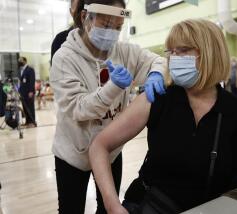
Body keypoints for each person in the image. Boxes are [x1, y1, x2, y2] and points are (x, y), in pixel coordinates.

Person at [89, 19, 237, 213]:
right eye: (171, 52)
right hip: (149, 204)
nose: (174, 58)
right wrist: (112, 205)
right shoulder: (157, 99)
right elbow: (99, 146)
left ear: (210, 53)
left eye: (184, 50)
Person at [50, 0, 167, 213]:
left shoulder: (123, 52)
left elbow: (158, 61)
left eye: (118, 27)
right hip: (73, 154)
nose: (111, 33)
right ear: (86, 17)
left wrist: (156, 73)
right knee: (70, 209)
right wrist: (113, 87)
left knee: (107, 207)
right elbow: (78, 108)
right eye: (105, 25)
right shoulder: (64, 58)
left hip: (111, 150)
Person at [18, 57, 37, 128]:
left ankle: (32, 122)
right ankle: (27, 122)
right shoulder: (22, 70)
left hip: (29, 92)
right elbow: (22, 82)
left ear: (25, 61)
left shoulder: (30, 69)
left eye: (20, 60)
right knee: (25, 108)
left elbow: (32, 81)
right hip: (23, 93)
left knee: (30, 107)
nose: (19, 62)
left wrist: (31, 91)